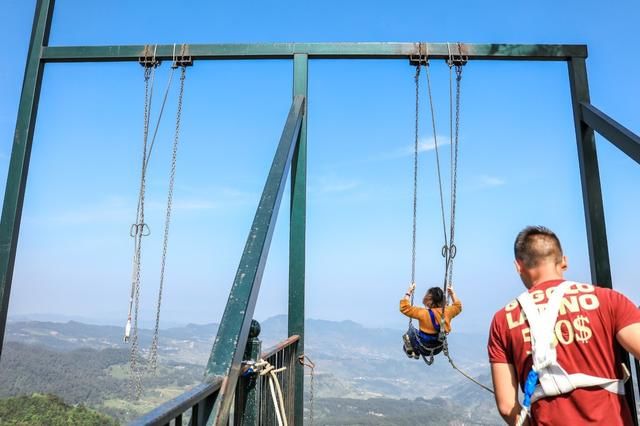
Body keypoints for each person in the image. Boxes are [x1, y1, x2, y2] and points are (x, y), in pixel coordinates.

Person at [488, 226, 640, 425]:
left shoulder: (503, 320)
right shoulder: (609, 300)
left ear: (518, 266)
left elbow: (507, 405)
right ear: (564, 262)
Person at [400, 283, 462, 358]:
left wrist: (408, 292)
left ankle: (414, 352)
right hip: (438, 348)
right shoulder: (447, 312)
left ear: (427, 299)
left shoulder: (422, 313)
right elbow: (458, 306)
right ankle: (416, 351)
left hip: (423, 348)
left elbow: (404, 308)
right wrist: (452, 293)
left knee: (411, 331)